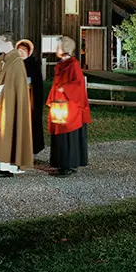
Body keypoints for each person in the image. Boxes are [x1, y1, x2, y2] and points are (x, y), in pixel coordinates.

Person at [0, 32, 35, 176]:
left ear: (7, 42)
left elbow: (15, 86)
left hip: (10, 103)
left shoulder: (17, 61)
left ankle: (8, 167)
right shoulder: (0, 59)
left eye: (0, 43)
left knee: (8, 131)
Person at [48, 36, 91, 176]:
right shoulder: (61, 64)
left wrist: (64, 89)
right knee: (60, 134)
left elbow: (78, 84)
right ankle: (60, 163)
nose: (56, 49)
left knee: (68, 134)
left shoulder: (73, 64)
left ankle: (69, 164)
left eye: (58, 47)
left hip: (70, 106)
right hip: (59, 105)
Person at [17, 39, 46, 155]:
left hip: (30, 97)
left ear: (29, 52)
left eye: (24, 50)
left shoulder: (33, 64)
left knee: (31, 122)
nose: (22, 52)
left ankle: (31, 148)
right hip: (18, 97)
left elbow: (38, 83)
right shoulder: (15, 64)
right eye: (19, 50)